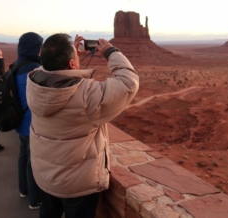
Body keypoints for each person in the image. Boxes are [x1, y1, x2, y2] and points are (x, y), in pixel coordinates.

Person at [26, 33, 139, 217]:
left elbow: (50, 68)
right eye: (74, 58)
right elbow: (128, 83)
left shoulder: (34, 82)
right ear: (71, 64)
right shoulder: (87, 95)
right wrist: (111, 51)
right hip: (76, 185)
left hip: (45, 177)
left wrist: (72, 57)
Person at [14, 32, 43, 210]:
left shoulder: (16, 65)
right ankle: (35, 199)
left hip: (20, 122)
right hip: (31, 124)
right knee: (33, 162)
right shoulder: (35, 70)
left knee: (23, 156)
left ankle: (23, 190)